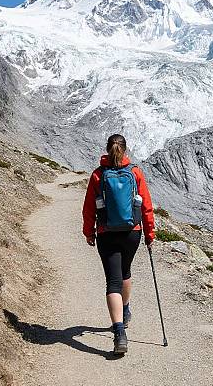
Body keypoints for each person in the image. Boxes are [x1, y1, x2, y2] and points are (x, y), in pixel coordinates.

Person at [82, 134, 155, 354]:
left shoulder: (98, 175)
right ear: (125, 150)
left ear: (107, 149)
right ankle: (125, 309)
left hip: (107, 232)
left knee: (112, 282)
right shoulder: (134, 172)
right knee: (125, 272)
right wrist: (149, 234)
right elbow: (146, 206)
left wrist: (89, 232)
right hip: (132, 232)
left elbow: (89, 208)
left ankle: (119, 332)